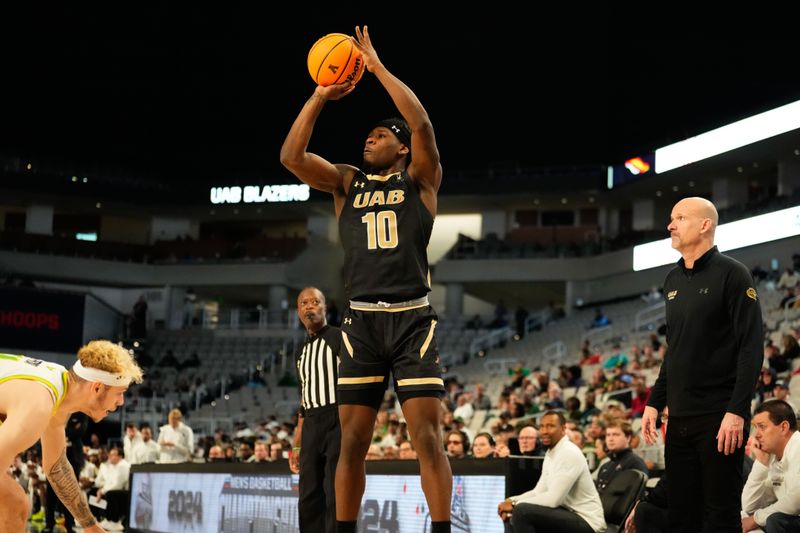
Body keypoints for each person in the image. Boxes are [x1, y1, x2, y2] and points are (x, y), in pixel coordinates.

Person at [281, 25, 451, 533]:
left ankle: (441, 529)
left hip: (412, 321)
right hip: (360, 325)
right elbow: (291, 157)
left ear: (401, 149)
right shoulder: (347, 182)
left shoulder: (420, 179)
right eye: (368, 135)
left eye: (380, 135)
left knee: (427, 437)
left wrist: (375, 68)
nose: (369, 138)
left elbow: (420, 123)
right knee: (352, 443)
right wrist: (319, 95)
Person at [641, 196, 763, 533]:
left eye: (679, 218)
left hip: (720, 417)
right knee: (680, 515)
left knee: (719, 515)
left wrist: (738, 410)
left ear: (704, 224)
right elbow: (674, 350)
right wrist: (655, 401)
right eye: (671, 218)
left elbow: (751, 348)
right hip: (678, 418)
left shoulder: (734, 275)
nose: (670, 225)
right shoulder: (671, 281)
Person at [0, 341, 143, 533]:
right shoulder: (38, 406)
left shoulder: (58, 388)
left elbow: (57, 468)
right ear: (97, 388)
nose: (121, 402)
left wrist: (90, 526)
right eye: (120, 393)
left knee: (15, 505)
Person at [496, 411, 606, 533]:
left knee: (522, 511)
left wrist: (515, 504)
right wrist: (511, 500)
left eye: (550, 426)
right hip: (568, 513)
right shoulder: (551, 453)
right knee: (511, 511)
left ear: (563, 429)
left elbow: (553, 500)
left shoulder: (568, 452)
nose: (544, 431)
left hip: (588, 521)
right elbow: (538, 491)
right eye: (542, 426)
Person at [289, 287, 341, 533]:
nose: (309, 306)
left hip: (337, 418)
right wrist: (297, 441)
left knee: (334, 492)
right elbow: (304, 397)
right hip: (310, 422)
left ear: (325, 308)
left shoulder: (340, 338)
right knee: (308, 493)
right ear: (298, 311)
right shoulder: (300, 351)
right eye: (304, 303)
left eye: (315, 301)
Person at [741, 400, 800, 532]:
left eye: (762, 427)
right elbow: (748, 506)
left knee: (774, 520)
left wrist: (756, 519)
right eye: (755, 428)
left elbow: (797, 499)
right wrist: (761, 464)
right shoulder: (774, 457)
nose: (756, 435)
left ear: (783, 427)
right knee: (743, 515)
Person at [595, 419, 648, 493]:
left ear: (628, 438)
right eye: (608, 435)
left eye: (616, 434)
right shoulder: (605, 466)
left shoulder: (635, 463)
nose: (611, 439)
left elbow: (636, 497)